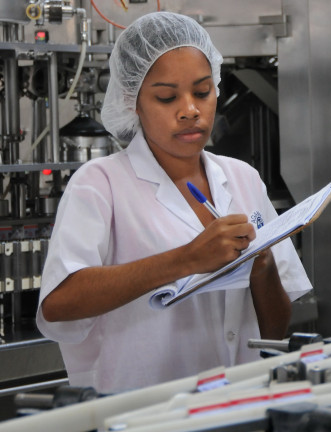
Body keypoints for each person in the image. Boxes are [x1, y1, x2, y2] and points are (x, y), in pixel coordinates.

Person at [36, 12, 311, 394]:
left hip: (238, 400)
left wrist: (262, 268)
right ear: (133, 101)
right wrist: (186, 259)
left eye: (202, 92)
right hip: (142, 408)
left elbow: (274, 331)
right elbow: (58, 303)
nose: (190, 110)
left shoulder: (242, 178)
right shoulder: (100, 184)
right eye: (166, 97)